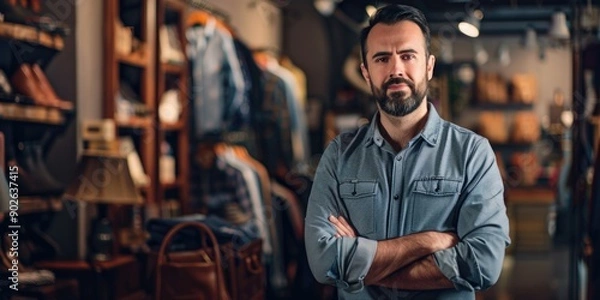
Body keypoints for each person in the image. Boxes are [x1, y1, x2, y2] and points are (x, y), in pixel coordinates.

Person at [304, 4, 510, 299]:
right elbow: (324, 262)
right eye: (382, 58)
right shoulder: (338, 156)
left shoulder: (472, 154)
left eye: (408, 56)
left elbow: (484, 264)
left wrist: (361, 264)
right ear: (366, 72)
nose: (395, 69)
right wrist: (427, 242)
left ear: (429, 65)